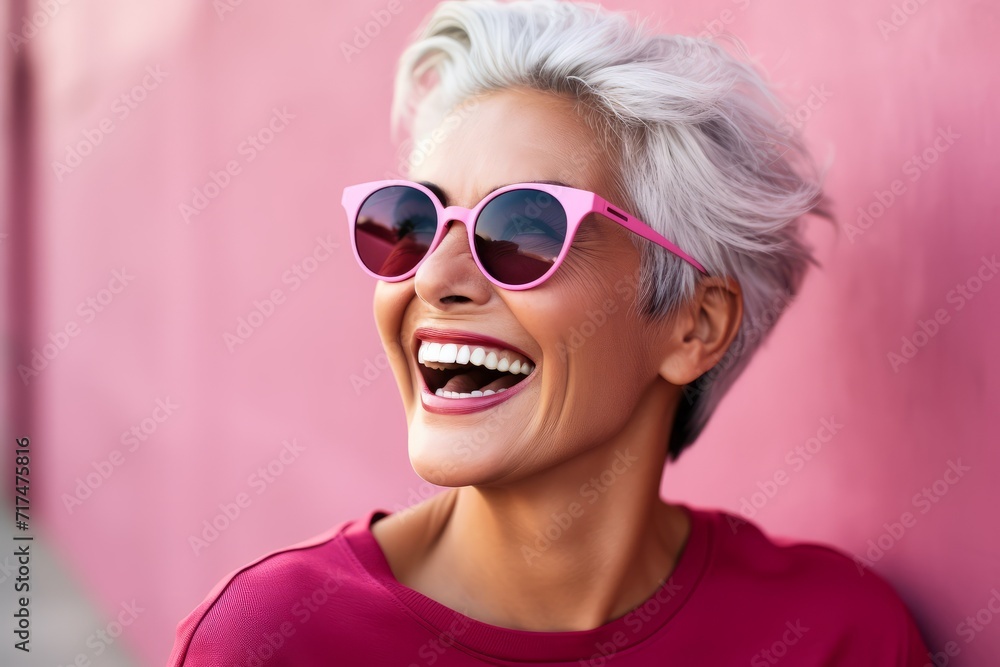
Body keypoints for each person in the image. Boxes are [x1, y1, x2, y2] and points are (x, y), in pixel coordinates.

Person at [168, 1, 930, 664]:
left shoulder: (838, 637)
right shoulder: (270, 642)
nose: (433, 278)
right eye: (409, 221)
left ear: (694, 324)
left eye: (524, 229)